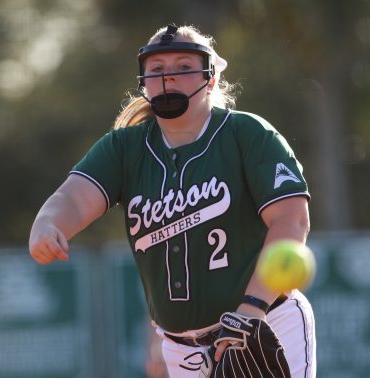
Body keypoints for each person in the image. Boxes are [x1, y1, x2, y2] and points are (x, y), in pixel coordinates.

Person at [29, 24, 316, 377]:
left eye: (184, 67)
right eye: (157, 70)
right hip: (182, 350)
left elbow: (292, 219)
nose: (169, 79)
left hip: (265, 323)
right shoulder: (124, 148)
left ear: (210, 78)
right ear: (143, 80)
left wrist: (251, 309)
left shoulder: (248, 134)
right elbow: (71, 199)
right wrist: (48, 223)